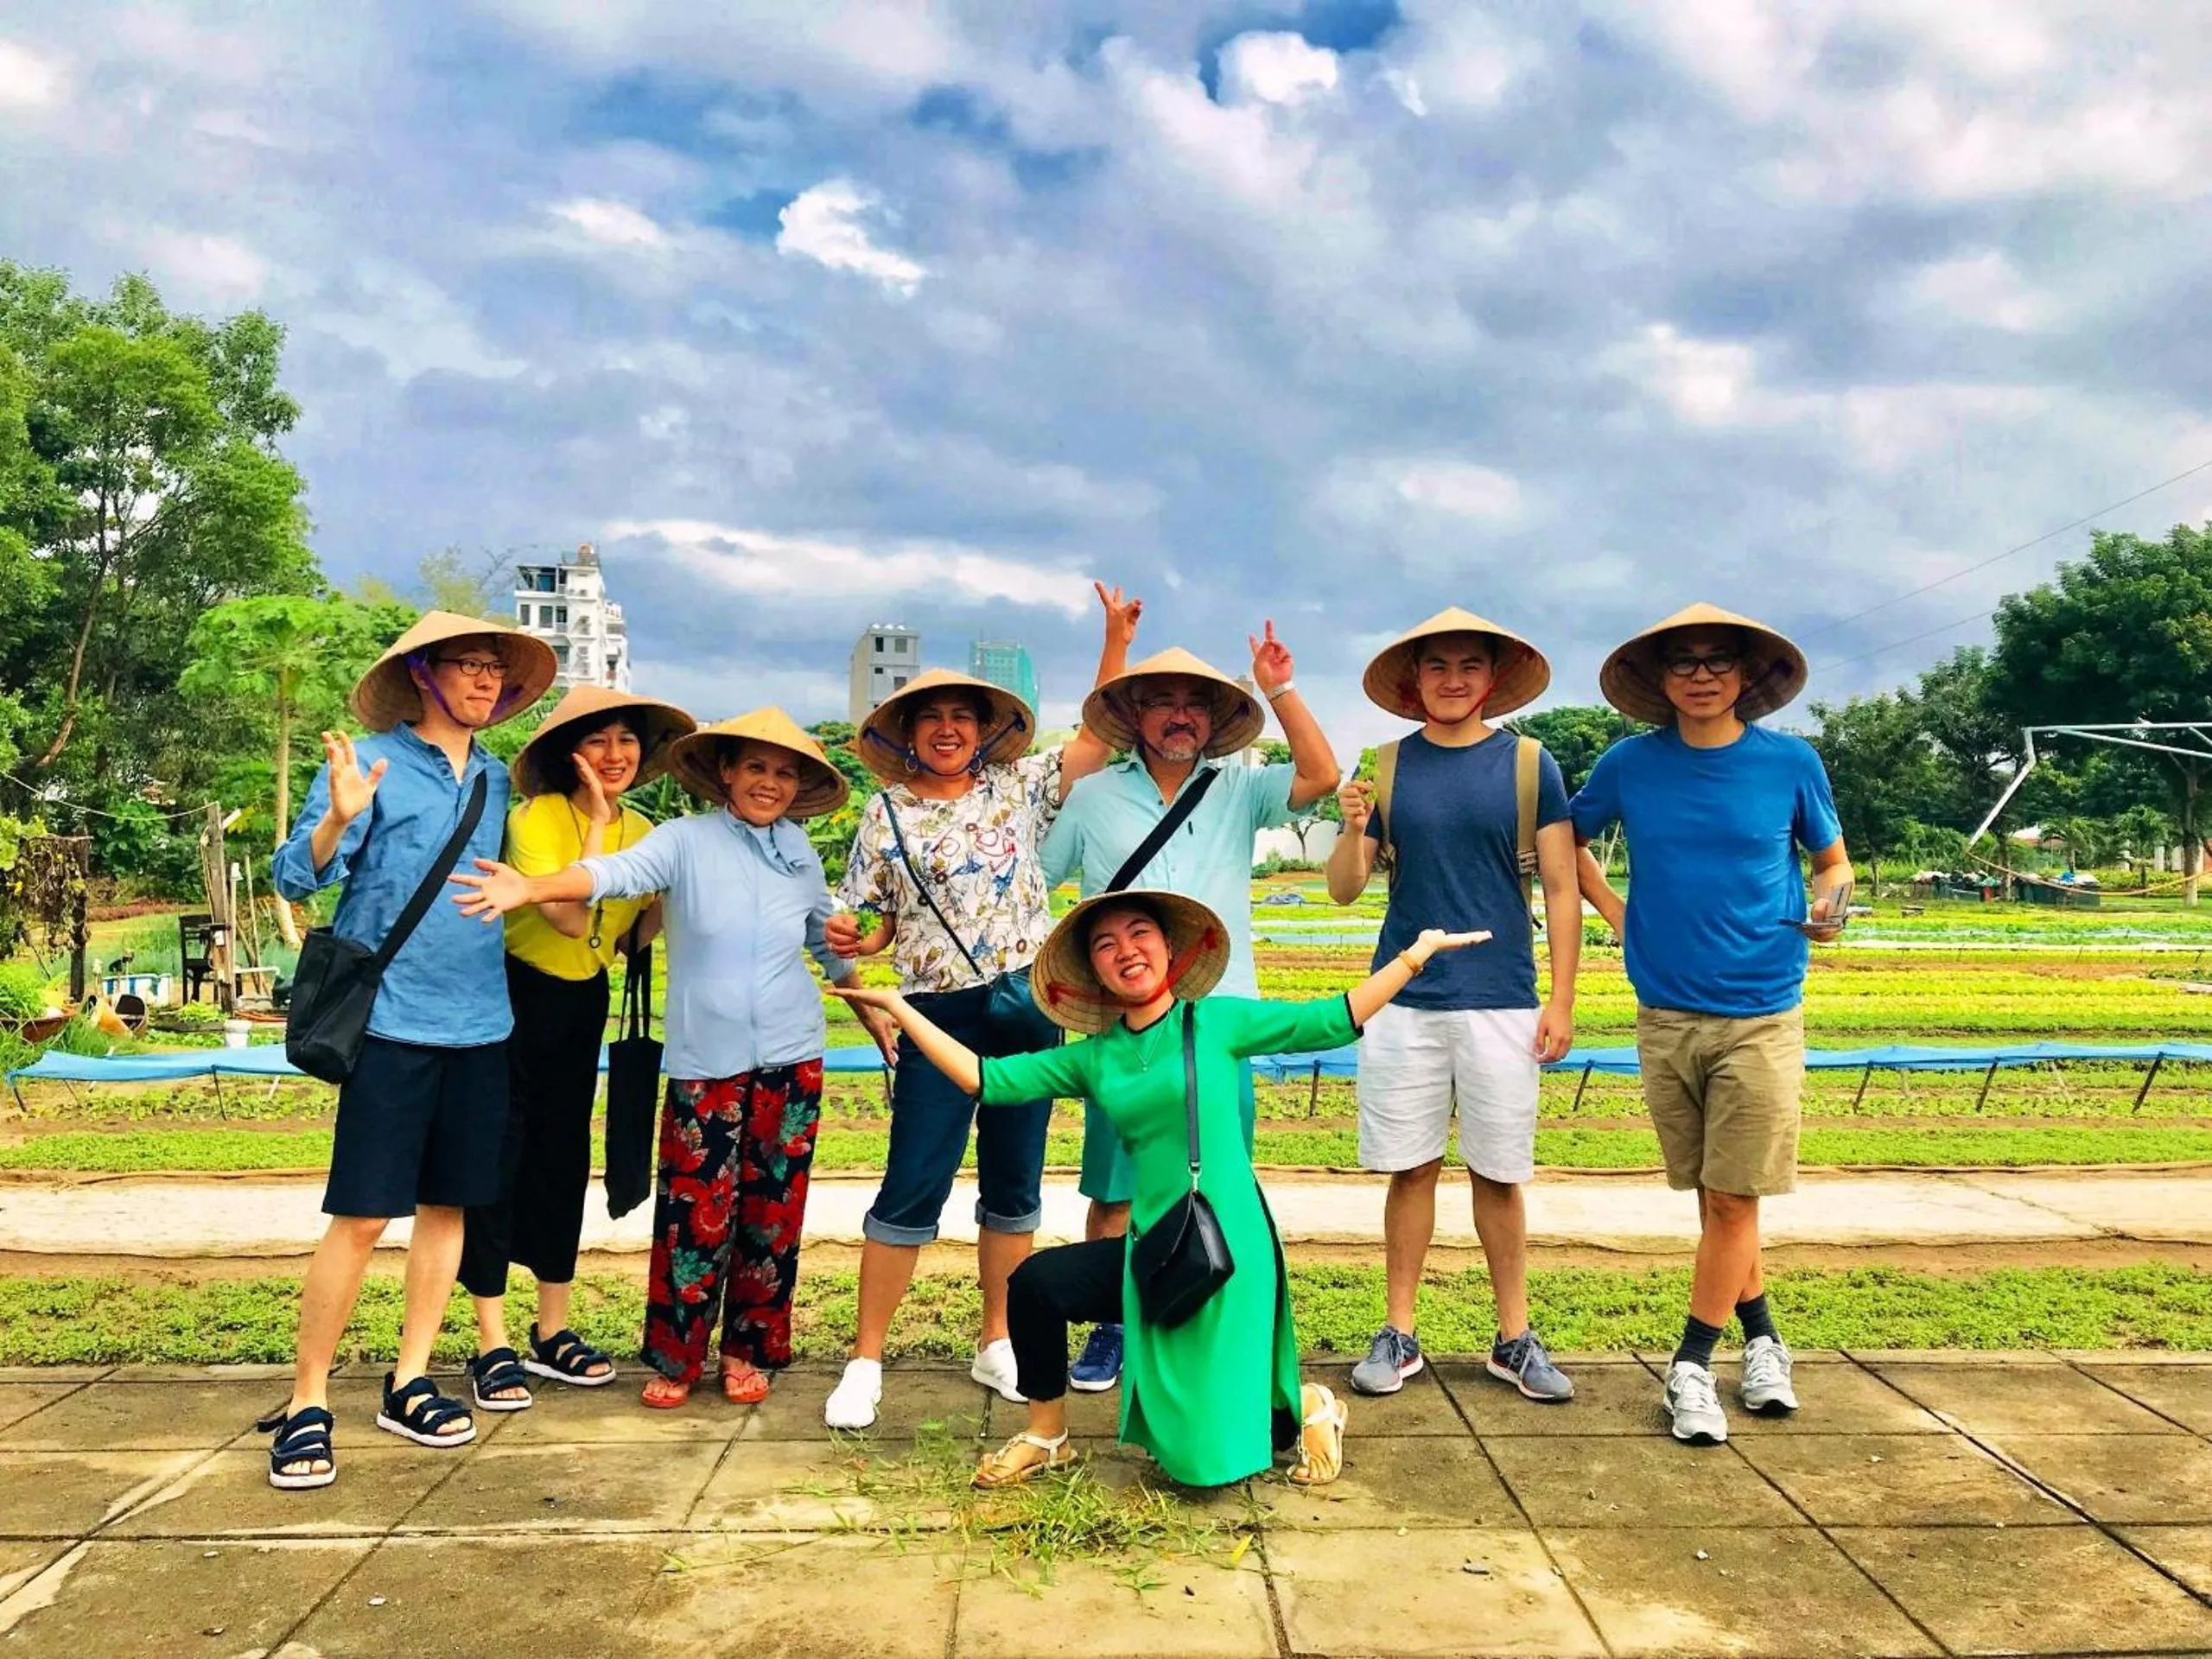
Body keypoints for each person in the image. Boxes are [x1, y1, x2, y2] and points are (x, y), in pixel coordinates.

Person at [831, 890, 1486, 1488]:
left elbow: (1333, 1019)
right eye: (1105, 945)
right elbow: (985, 1078)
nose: (1126, 951)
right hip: (1158, 1244)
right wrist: (900, 1007)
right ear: (1095, 973)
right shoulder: (1094, 1057)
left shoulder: (1218, 1023)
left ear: (1169, 950)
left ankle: (1308, 1403)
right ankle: (1047, 1433)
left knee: (1208, 1469)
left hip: (1228, 1243)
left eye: (1138, 934)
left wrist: (1413, 957)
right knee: (1035, 1285)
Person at [453, 709, 869, 1408]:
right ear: (726, 774)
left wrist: (874, 1014)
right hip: (707, 1058)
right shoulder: (682, 841)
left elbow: (824, 943)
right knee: (694, 1211)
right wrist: (530, 887)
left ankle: (747, 1350)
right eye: (756, 768)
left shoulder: (800, 852)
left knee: (774, 1214)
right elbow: (609, 874)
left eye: (785, 772)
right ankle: (678, 1356)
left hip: (794, 1054)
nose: (770, 783)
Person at [819, 588, 1132, 1430]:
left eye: (963, 716)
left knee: (1013, 1182)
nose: (948, 729)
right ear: (906, 732)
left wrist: (1113, 640)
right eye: (932, 718)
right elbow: (874, 919)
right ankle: (865, 1358)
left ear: (985, 729)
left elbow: (1094, 741)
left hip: (1027, 1001)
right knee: (912, 1181)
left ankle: (996, 1340)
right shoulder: (883, 812)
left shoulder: (1017, 788)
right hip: (934, 1013)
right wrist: (860, 937)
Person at [260, 612, 556, 1490]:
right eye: (467, 665)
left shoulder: (500, 781)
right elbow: (294, 877)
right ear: (425, 676)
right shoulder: (372, 764)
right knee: (359, 1216)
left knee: (449, 1210)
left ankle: (410, 1378)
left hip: (482, 1023)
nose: (484, 682)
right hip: (389, 1021)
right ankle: (309, 1397)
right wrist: (334, 821)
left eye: (494, 670)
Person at [1570, 601, 1851, 1446]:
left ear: (1744, 676)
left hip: (1763, 1010)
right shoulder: (1627, 766)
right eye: (1683, 661)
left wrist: (1832, 904)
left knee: (1731, 1196)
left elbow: (1830, 860)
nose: (1699, 674)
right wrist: (1614, 910)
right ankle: (1764, 1340)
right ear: (1659, 680)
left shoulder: (1790, 764)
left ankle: (1691, 1364)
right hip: (1663, 1012)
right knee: (1719, 1200)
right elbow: (1561, 838)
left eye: (1715, 660)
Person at [1040, 624, 1338, 1391]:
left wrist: (1279, 686)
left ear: (1214, 720)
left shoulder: (1241, 788)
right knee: (1113, 1186)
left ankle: (1221, 1315)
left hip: (1218, 1018)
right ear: (1134, 716)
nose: (1180, 716)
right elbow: (1035, 878)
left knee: (1221, 1177)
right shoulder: (1094, 797)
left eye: (1195, 705)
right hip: (1123, 1023)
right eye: (1162, 702)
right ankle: (1111, 1325)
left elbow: (1323, 773)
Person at [1325, 609, 1580, 1403]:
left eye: (1469, 666)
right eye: (1438, 667)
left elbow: (1564, 888)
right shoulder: (1389, 766)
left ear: (1492, 680)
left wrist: (1562, 998)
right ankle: (1399, 1331)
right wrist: (1352, 826)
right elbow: (1344, 889)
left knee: (1499, 1175)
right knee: (1410, 1169)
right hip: (1404, 995)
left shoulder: (1532, 765)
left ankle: (1513, 1336)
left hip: (1502, 995)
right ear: (1415, 682)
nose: (1453, 679)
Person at [454, 685, 696, 1411]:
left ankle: (551, 1328)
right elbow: (562, 916)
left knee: (563, 1159)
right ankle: (489, 1340)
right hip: (512, 998)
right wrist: (594, 825)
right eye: (599, 742)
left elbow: (620, 939)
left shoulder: (650, 828)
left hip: (581, 1004)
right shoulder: (536, 817)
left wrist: (664, 904)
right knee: (500, 1159)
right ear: (571, 753)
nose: (615, 755)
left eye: (627, 741)